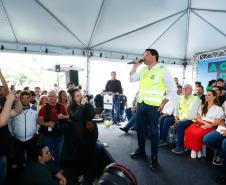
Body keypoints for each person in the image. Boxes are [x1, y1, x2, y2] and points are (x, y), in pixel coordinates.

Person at [129, 48, 176, 170]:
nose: (143, 57)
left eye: (146, 55)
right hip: (141, 104)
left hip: (154, 106)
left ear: (154, 56)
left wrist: (163, 103)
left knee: (154, 132)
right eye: (143, 54)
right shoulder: (144, 70)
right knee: (140, 129)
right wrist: (135, 66)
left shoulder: (162, 69)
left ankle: (154, 158)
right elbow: (132, 79)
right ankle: (141, 151)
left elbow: (172, 89)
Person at [67, 89, 98, 183]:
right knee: (81, 157)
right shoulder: (71, 107)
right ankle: (80, 175)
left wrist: (87, 104)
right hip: (79, 136)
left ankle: (90, 176)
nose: (80, 96)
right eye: (77, 95)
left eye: (80, 94)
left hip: (90, 134)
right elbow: (77, 117)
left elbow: (92, 115)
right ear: (73, 98)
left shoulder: (86, 104)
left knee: (91, 156)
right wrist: (82, 105)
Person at [185, 90, 224, 158]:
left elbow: (218, 121)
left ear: (214, 97)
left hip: (211, 125)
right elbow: (198, 117)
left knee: (197, 134)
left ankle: (195, 149)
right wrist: (204, 122)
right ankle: (196, 149)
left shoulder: (218, 108)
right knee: (188, 130)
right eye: (206, 95)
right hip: (201, 123)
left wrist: (209, 125)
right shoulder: (203, 106)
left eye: (209, 95)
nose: (206, 96)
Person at [8, 91, 39, 168]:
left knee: (31, 158)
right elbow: (9, 122)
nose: (25, 100)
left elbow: (38, 121)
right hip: (18, 139)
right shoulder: (14, 108)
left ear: (30, 98)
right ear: (20, 99)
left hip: (31, 138)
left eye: (27, 98)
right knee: (19, 158)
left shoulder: (35, 108)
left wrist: (36, 131)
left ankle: (31, 172)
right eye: (23, 98)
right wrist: (12, 133)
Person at [38, 90, 69, 166]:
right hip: (48, 135)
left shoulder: (61, 106)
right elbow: (39, 121)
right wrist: (46, 123)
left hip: (60, 134)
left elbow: (68, 116)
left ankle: (56, 169)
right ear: (48, 97)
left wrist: (63, 116)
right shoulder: (44, 108)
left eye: (53, 96)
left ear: (56, 97)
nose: (52, 98)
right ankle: (49, 169)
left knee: (58, 152)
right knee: (48, 153)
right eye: (50, 96)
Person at [172, 84, 201, 154]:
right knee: (167, 120)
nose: (184, 89)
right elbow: (176, 108)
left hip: (191, 120)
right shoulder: (180, 98)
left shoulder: (196, 99)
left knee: (180, 125)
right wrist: (176, 117)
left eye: (186, 88)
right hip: (180, 119)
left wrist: (179, 121)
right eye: (183, 88)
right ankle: (166, 140)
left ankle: (180, 147)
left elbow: (192, 113)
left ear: (191, 90)